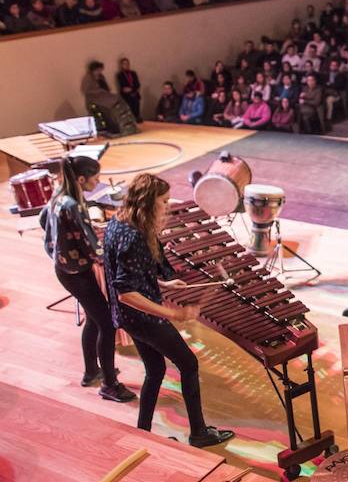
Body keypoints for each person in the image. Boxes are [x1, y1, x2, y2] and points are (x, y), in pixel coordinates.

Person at [102, 173, 234, 447]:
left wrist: (160, 280)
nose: (167, 206)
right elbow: (126, 293)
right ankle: (198, 433)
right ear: (148, 203)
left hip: (128, 318)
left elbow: (126, 272)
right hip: (141, 318)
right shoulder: (134, 236)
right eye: (163, 201)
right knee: (188, 363)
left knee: (155, 369)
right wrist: (172, 314)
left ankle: (143, 431)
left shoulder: (118, 221)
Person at [39, 157, 135, 402]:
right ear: (81, 179)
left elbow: (43, 220)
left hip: (64, 269)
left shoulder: (59, 195)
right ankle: (110, 386)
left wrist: (64, 241)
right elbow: (92, 248)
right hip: (76, 273)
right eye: (96, 177)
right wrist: (116, 253)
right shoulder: (73, 205)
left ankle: (92, 371)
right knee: (107, 323)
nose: (99, 181)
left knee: (94, 318)